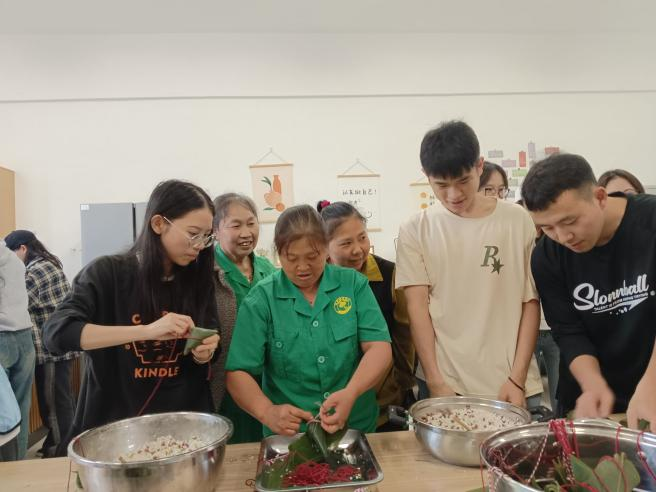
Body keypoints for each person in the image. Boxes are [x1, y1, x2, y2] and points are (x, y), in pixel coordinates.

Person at [44, 180, 220, 454]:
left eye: (207, 236)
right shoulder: (107, 274)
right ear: (158, 224)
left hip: (182, 428)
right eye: (193, 233)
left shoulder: (198, 279)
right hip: (115, 428)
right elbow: (57, 334)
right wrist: (146, 331)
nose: (200, 245)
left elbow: (210, 336)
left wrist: (204, 351)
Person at [396, 120, 543, 409]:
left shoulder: (517, 220)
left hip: (513, 383)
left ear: (479, 166)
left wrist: (517, 379)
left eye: (463, 181)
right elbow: (417, 309)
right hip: (446, 384)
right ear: (426, 176)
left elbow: (530, 302)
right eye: (441, 185)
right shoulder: (416, 229)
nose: (454, 195)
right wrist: (436, 381)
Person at [225, 204, 392, 436]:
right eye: (291, 258)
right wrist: (267, 412)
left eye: (312, 257)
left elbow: (379, 347)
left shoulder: (353, 285)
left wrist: (352, 392)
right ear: (278, 253)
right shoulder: (261, 299)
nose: (302, 268)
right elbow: (237, 372)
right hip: (291, 434)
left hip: (355, 425)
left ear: (326, 249)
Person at [522, 153, 656, 428]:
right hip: (590, 404)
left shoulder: (650, 220)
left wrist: (652, 384)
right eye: (548, 227)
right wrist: (592, 383)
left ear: (600, 197)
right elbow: (568, 331)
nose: (563, 237)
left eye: (570, 221)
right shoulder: (546, 256)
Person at [317, 200, 415, 430]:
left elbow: (404, 336)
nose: (358, 249)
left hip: (382, 397)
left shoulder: (389, 274)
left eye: (362, 237)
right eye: (346, 243)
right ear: (324, 247)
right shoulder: (316, 280)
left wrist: (403, 385)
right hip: (331, 397)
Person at [4, 230, 79, 458]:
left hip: (50, 349)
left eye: (12, 252)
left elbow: (21, 301)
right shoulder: (48, 263)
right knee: (61, 399)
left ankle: (59, 451)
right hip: (58, 344)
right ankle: (60, 442)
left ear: (23, 248)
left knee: (53, 403)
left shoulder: (36, 270)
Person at [211, 193, 276, 444]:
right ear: (215, 231)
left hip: (268, 381)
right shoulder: (207, 273)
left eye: (251, 223)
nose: (246, 232)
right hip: (225, 382)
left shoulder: (268, 269)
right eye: (235, 225)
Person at [516, 199, 560, 411]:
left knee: (558, 390)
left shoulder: (553, 246)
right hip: (525, 330)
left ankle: (559, 423)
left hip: (554, 330)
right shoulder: (516, 248)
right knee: (529, 391)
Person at [0, 241, 36, 460]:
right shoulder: (14, 259)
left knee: (3, 416)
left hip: (1, 336)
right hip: (25, 338)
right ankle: (19, 465)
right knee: (20, 409)